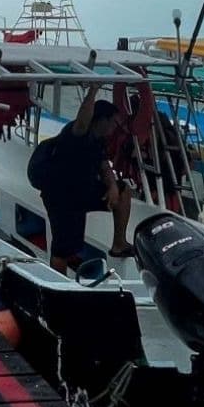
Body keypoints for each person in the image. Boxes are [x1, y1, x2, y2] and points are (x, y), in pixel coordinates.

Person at [27, 84, 135, 272]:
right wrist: (92, 91)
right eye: (114, 123)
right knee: (62, 249)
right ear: (102, 120)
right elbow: (83, 118)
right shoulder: (77, 133)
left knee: (123, 190)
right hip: (61, 196)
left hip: (83, 190)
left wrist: (112, 187)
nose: (115, 127)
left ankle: (119, 243)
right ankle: (59, 287)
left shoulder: (99, 140)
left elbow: (104, 165)